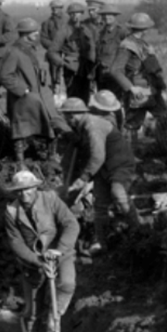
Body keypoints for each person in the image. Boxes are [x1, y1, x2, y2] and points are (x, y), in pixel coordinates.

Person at [4, 170, 79, 332]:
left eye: (27, 189)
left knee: (67, 283)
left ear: (35, 187)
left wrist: (59, 251)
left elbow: (71, 225)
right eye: (19, 191)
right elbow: (16, 243)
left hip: (59, 253)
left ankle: (55, 322)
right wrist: (37, 261)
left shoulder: (51, 200)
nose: (24, 194)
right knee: (32, 312)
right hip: (33, 262)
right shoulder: (11, 211)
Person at [59, 95, 139, 254]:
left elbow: (97, 156)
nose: (68, 119)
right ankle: (102, 244)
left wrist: (83, 179)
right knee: (99, 206)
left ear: (81, 113)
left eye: (71, 115)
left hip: (119, 165)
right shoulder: (81, 129)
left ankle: (138, 230)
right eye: (66, 115)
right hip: (102, 169)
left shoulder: (92, 126)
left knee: (118, 194)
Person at [0, 18, 68, 164]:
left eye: (37, 31)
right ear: (25, 33)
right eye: (33, 31)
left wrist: (52, 86)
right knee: (21, 130)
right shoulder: (14, 51)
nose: (37, 33)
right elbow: (4, 75)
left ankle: (51, 157)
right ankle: (20, 161)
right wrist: (24, 90)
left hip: (43, 95)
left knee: (52, 124)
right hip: (24, 98)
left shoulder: (37, 50)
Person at [107, 13, 167, 154]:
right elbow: (115, 70)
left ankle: (163, 149)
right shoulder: (127, 46)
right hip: (138, 89)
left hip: (151, 88)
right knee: (132, 123)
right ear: (146, 29)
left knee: (163, 115)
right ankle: (128, 156)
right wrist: (131, 88)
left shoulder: (142, 43)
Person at [47, 2, 91, 102]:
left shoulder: (87, 28)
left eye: (77, 13)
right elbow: (52, 51)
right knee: (73, 96)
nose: (75, 15)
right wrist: (63, 63)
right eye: (72, 13)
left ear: (82, 13)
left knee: (86, 96)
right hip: (72, 68)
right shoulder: (64, 30)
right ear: (69, 15)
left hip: (87, 67)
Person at [94, 5, 127, 91]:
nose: (106, 17)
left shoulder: (122, 32)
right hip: (101, 73)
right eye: (104, 15)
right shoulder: (101, 32)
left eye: (109, 15)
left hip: (115, 73)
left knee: (115, 99)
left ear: (115, 16)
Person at [40, 0, 68, 88]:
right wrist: (54, 47)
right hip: (54, 52)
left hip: (68, 51)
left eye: (57, 8)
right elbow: (43, 38)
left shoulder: (68, 21)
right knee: (54, 75)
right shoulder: (47, 23)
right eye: (53, 8)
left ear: (61, 8)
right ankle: (55, 87)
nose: (55, 10)